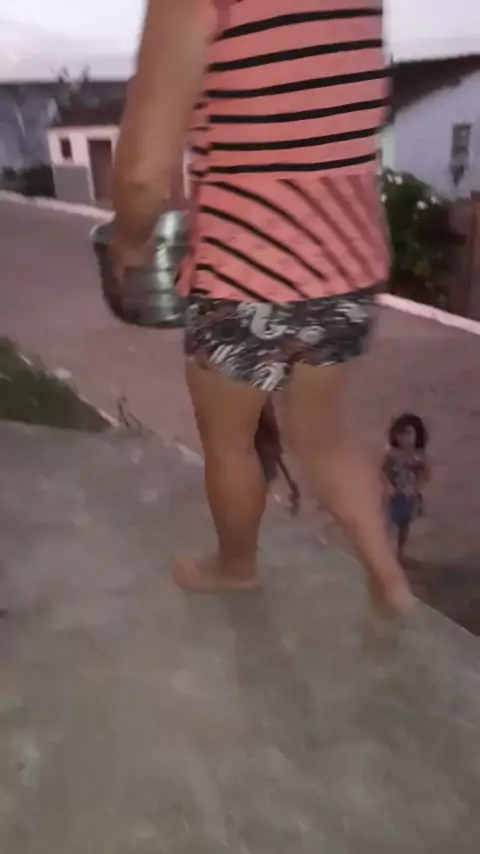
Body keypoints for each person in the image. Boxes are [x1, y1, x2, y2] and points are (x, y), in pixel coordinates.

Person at [111, 0, 413, 615]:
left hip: (244, 271)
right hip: (346, 265)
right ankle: (389, 580)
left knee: (231, 444)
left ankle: (236, 566)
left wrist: (130, 241)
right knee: (321, 435)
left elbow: (142, 171)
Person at [383, 414, 430, 562]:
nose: (403, 438)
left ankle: (400, 553)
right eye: (400, 433)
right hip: (394, 494)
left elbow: (425, 474)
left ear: (417, 435)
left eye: (408, 433)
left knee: (404, 524)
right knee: (387, 523)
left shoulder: (418, 456)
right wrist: (388, 486)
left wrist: (417, 487)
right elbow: (384, 472)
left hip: (409, 494)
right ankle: (384, 552)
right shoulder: (392, 455)